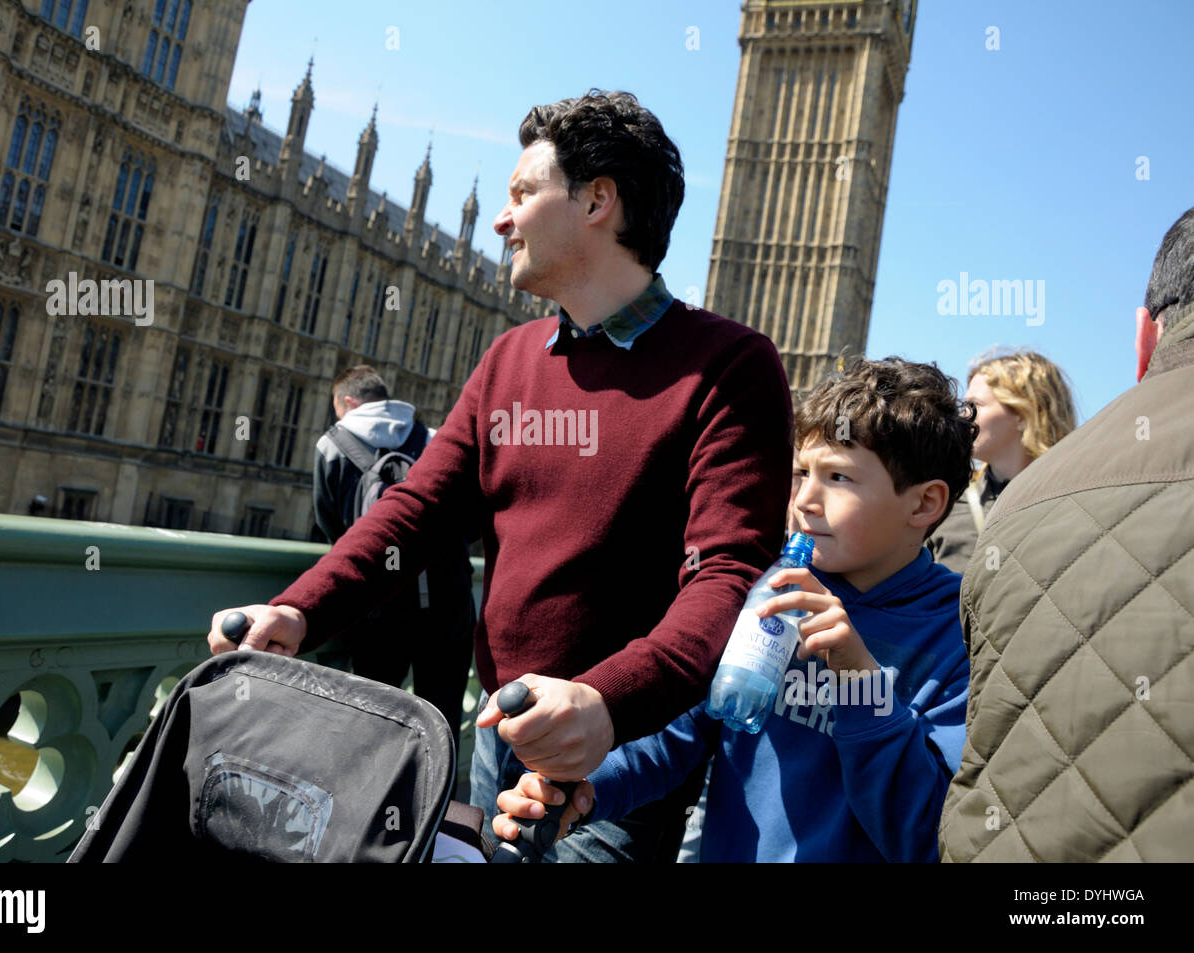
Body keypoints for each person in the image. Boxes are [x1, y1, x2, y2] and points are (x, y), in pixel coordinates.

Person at [205, 90, 794, 862]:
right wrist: (297, 611)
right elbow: (415, 512)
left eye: (522, 194)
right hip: (497, 730)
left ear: (597, 202)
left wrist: (606, 702)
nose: (501, 218)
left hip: (622, 759)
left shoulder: (728, 365)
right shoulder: (509, 359)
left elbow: (726, 574)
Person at [493, 358, 976, 861]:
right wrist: (587, 787)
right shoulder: (771, 589)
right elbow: (681, 735)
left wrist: (860, 681)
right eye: (801, 472)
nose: (805, 500)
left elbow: (927, 831)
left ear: (923, 505)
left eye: (838, 477)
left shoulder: (957, 633)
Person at [939, 208, 1194, 862]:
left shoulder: (1028, 502)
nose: (961, 418)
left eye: (977, 405)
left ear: (1146, 336)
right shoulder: (955, 507)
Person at [313, 364, 475, 749]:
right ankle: (437, 806)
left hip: (376, 603)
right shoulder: (436, 439)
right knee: (443, 722)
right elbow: (469, 518)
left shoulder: (332, 444)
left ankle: (376, 804)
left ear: (347, 403)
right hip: (447, 601)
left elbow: (331, 526)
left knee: (371, 719)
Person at [927, 350, 1075, 572]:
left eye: (976, 405)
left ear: (1024, 414)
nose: (963, 416)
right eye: (963, 406)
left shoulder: (1072, 507)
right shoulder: (945, 504)